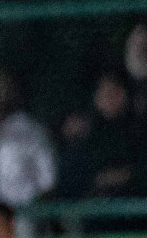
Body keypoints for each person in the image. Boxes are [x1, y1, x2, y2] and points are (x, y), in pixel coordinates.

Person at [0, 70, 55, 234]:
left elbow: (47, 180)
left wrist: (32, 209)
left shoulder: (31, 129)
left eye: (4, 87)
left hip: (21, 217)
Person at [59, 71, 143, 199]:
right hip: (93, 206)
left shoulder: (138, 130)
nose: (110, 98)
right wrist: (97, 179)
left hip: (133, 205)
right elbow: (72, 175)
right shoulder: (85, 133)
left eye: (115, 92)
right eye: (105, 93)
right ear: (96, 97)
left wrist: (127, 175)